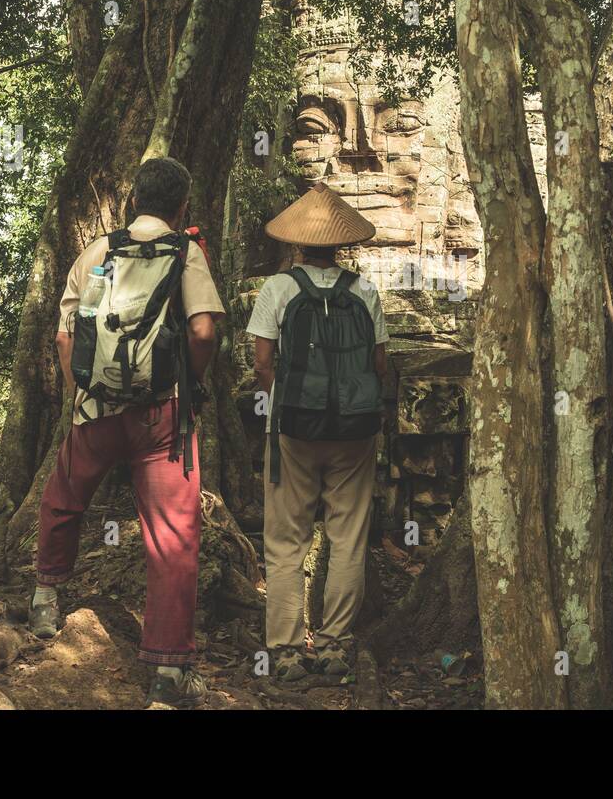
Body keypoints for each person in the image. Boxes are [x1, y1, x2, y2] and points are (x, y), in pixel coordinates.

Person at [28, 156, 224, 709]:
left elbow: (67, 338)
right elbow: (204, 330)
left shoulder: (96, 253)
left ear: (133, 200)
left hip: (96, 410)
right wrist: (193, 381)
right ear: (182, 205)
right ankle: (168, 670)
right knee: (172, 534)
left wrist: (80, 393)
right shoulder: (186, 252)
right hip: (164, 415)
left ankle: (45, 600)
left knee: (64, 497)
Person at [246, 183, 388, 680]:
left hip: (293, 432)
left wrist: (291, 396)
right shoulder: (364, 290)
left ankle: (285, 652)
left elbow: (263, 363)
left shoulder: (278, 288)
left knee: (286, 541)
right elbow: (378, 363)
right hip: (354, 433)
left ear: (297, 244)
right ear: (341, 244)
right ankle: (334, 645)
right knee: (348, 536)